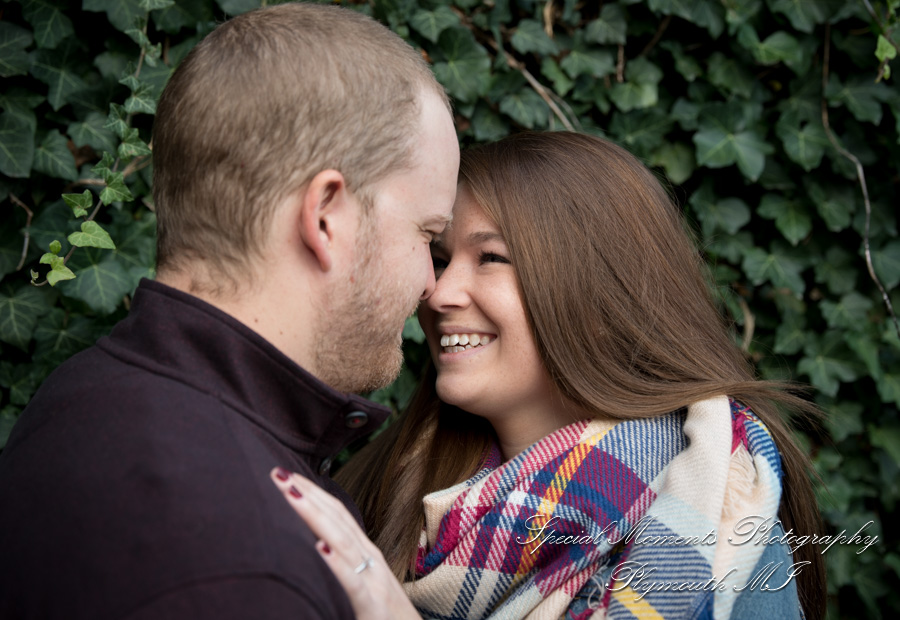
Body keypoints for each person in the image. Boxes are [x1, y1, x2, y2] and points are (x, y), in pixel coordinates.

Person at [0, 3, 458, 619]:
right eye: (427, 237)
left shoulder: (83, 393)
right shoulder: (248, 568)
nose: (432, 284)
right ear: (326, 216)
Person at [271, 131, 826, 619]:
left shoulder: (718, 526)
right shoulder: (379, 488)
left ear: (598, 292)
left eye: (490, 258)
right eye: (441, 258)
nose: (438, 292)